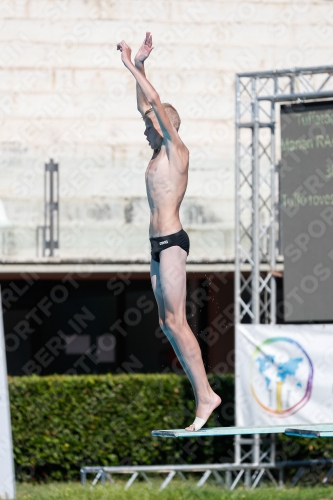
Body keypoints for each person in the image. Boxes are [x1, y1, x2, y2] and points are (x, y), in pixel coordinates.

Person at [117, 32, 221, 431]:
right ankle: (205, 393)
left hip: (174, 243)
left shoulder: (177, 150)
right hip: (154, 245)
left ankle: (206, 395)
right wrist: (139, 65)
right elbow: (147, 104)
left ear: (165, 126)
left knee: (177, 321)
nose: (144, 131)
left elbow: (155, 104)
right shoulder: (157, 153)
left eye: (150, 126)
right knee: (165, 323)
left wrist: (132, 67)